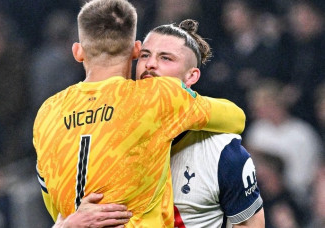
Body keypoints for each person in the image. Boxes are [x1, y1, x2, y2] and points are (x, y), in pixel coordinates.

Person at [33, 0, 246, 227]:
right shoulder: (157, 97)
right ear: (136, 50)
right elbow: (236, 118)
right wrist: (182, 100)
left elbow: (58, 212)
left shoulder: (47, 112)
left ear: (78, 52)